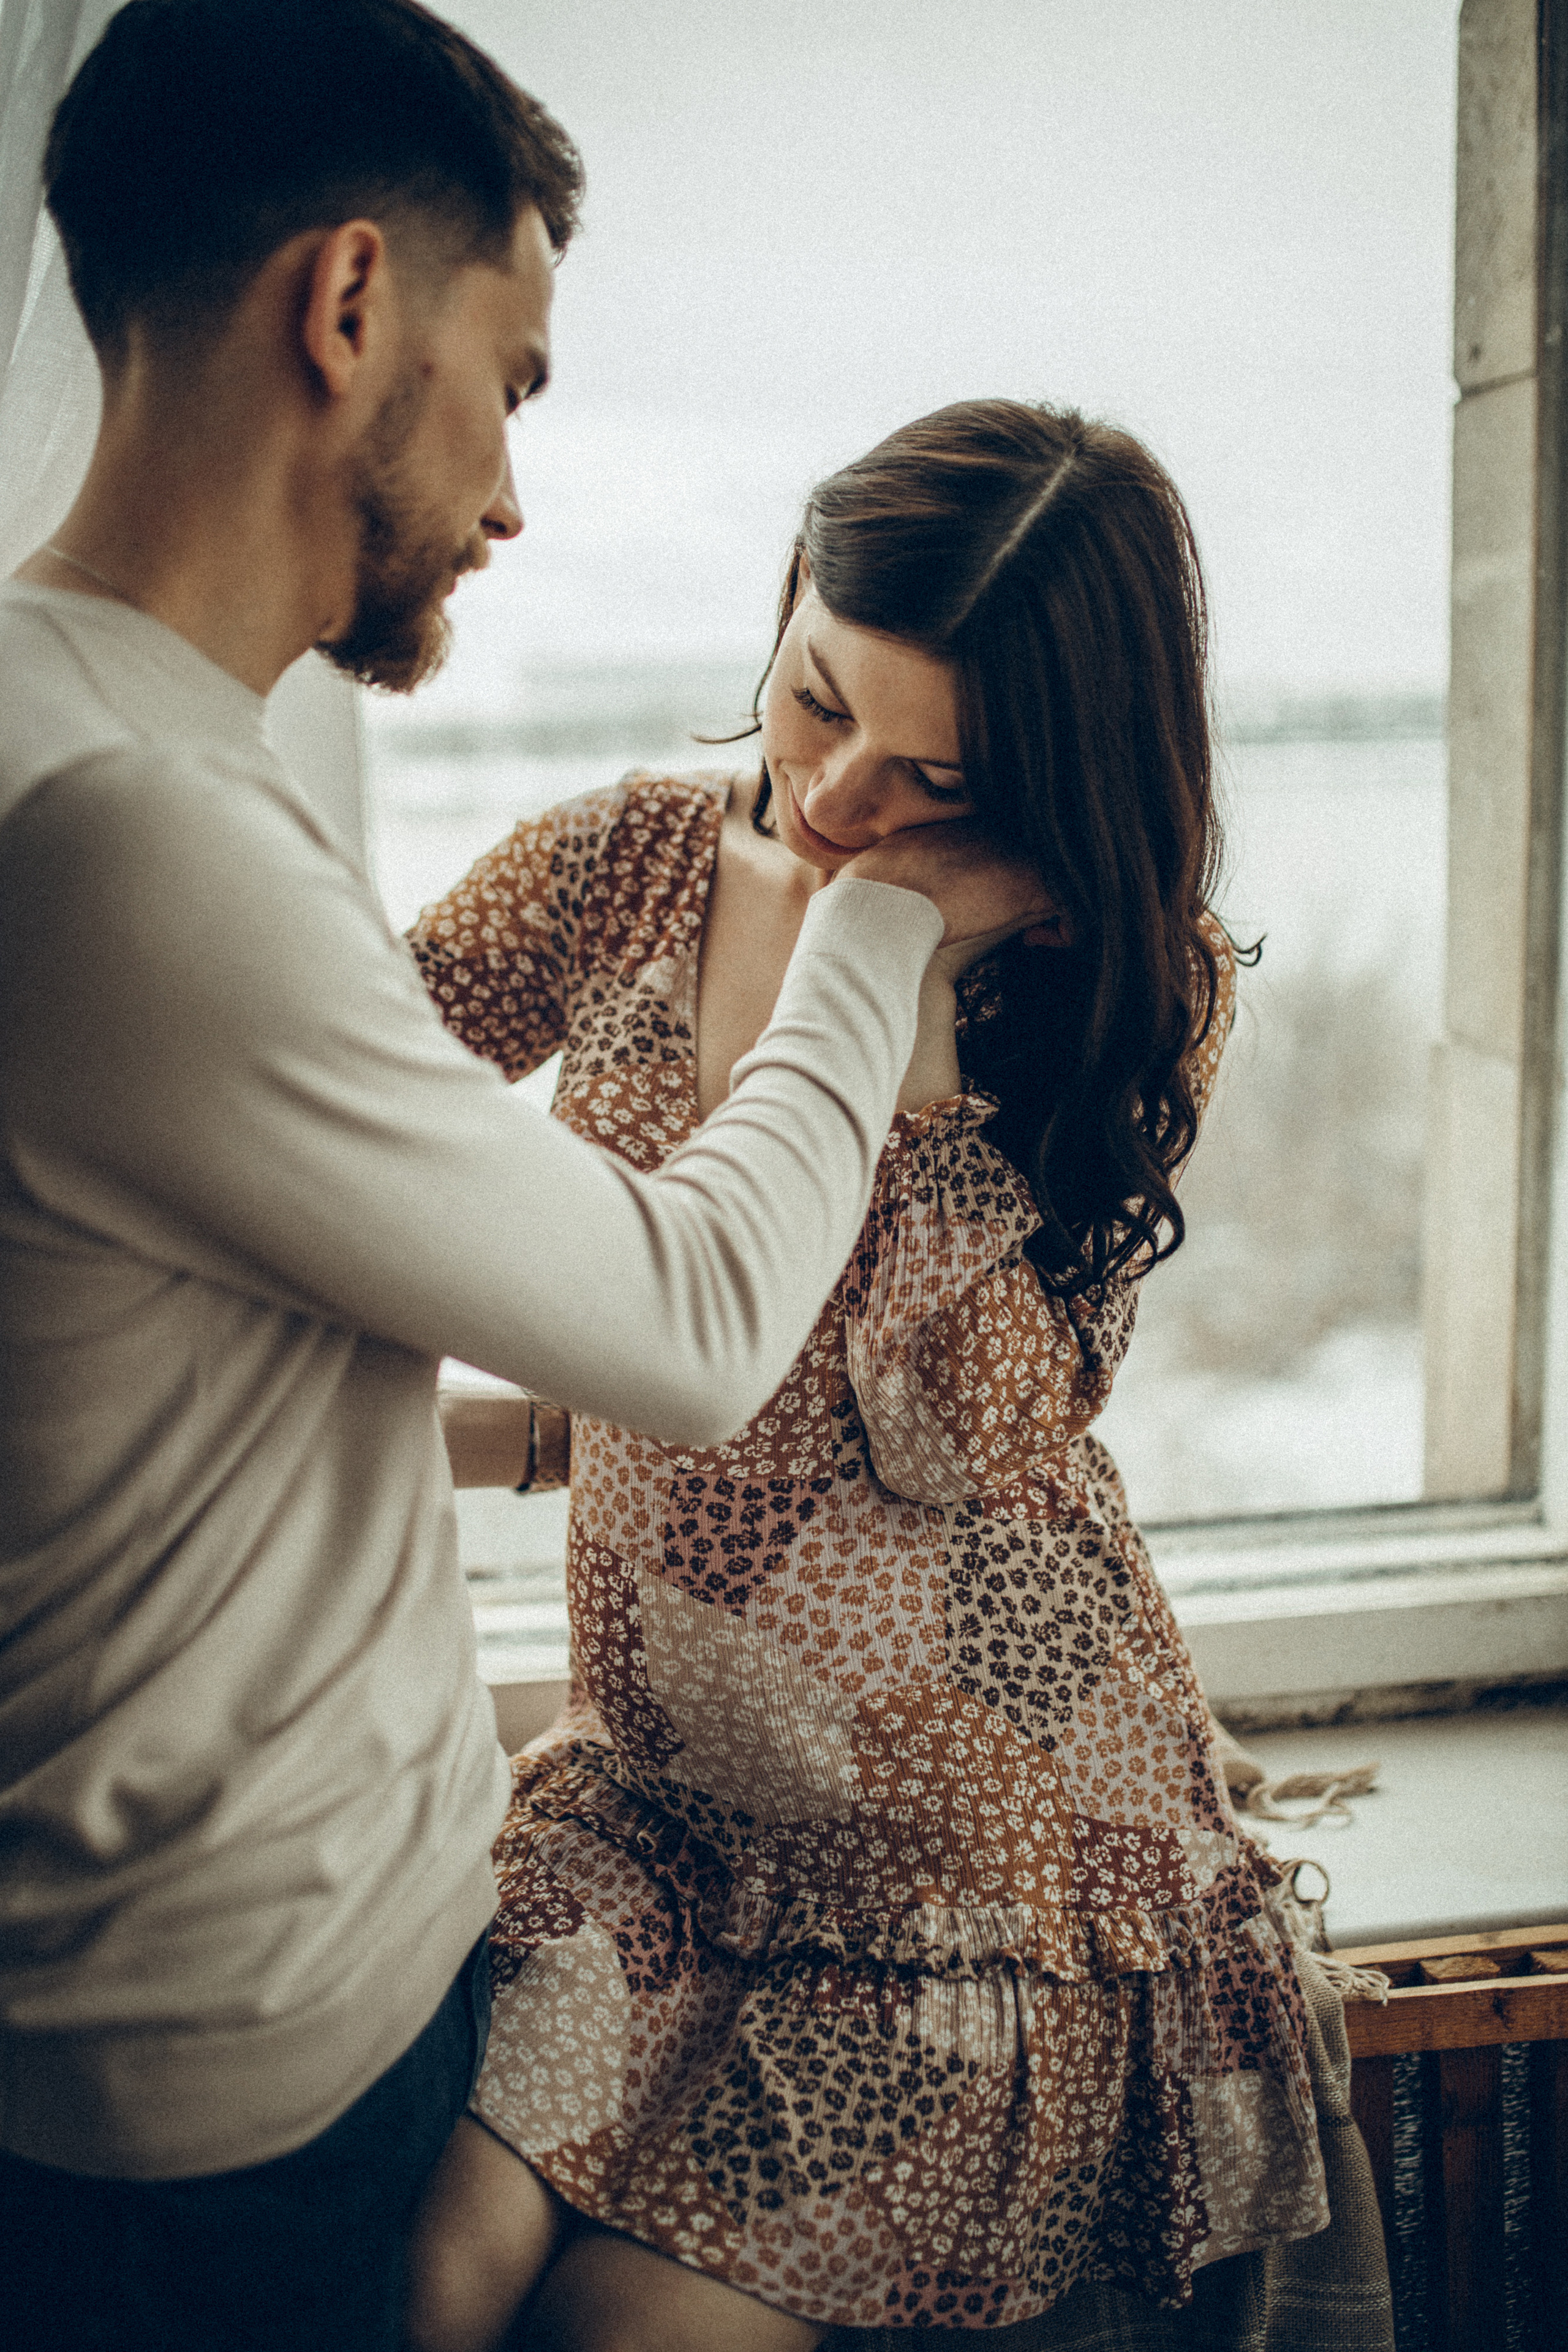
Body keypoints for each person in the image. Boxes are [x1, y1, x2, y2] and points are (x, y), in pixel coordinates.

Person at [0, 9, 1044, 2350]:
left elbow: (153, 1371)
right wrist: (870, 938)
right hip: (233, 2081)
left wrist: (484, 1436)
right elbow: (689, 1326)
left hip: (226, 2004)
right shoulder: (139, 842)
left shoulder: (67, 730)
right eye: (522, 377)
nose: (509, 490)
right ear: (351, 308)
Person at [399, 401, 1366, 2352]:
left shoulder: (1118, 979)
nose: (840, 799)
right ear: (789, 606)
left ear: (1054, 793)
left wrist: (906, 1013)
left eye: (938, 780)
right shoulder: (617, 871)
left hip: (974, 1878)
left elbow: (968, 1439)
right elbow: (319, 1106)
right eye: (820, 697)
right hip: (661, 1806)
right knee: (420, 2279)